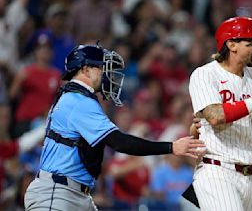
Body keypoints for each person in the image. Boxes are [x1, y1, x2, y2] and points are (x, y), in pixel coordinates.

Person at [23, 44, 205, 211]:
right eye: (101, 68)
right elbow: (119, 142)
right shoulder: (78, 101)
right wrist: (172, 147)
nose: (106, 74)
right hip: (57, 193)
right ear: (85, 69)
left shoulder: (74, 98)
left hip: (74, 193)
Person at [188, 17, 252, 211]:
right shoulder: (205, 74)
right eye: (251, 42)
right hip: (218, 170)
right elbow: (215, 116)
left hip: (249, 176)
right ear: (231, 44)